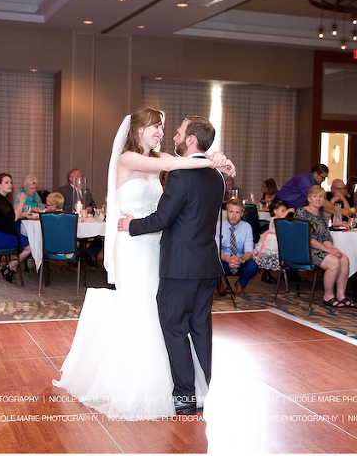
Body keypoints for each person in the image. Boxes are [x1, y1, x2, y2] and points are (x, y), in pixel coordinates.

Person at [53, 108, 235, 419]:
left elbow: (182, 162)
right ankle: (140, 384)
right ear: (138, 130)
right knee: (143, 308)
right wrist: (213, 161)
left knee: (163, 315)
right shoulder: (127, 159)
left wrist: (216, 156)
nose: (163, 133)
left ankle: (180, 387)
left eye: (165, 128)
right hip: (133, 243)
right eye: (156, 127)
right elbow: (176, 164)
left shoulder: (165, 156)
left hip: (159, 246)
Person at [119, 113, 229, 416]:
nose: (174, 137)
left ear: (191, 139)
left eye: (179, 133)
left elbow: (163, 219)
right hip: (207, 264)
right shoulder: (216, 176)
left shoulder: (181, 174)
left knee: (175, 328)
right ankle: (202, 389)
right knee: (201, 329)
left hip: (180, 266)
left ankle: (184, 395)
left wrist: (131, 225)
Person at [294, 185, 352, 307]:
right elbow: (305, 238)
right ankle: (328, 296)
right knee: (334, 262)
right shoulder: (301, 212)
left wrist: (332, 249)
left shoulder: (321, 215)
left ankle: (341, 295)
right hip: (305, 250)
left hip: (319, 248)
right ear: (309, 199)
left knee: (344, 259)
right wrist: (327, 250)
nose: (318, 199)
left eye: (321, 196)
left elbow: (326, 237)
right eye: (314, 196)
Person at [0, 173, 32, 283]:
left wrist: (21, 214)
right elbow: (13, 218)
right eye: (6, 182)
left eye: (11, 182)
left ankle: (11, 270)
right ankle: (10, 266)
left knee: (19, 240)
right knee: (29, 246)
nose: (10, 185)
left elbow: (6, 216)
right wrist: (22, 201)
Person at [217, 199, 258, 296]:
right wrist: (228, 259)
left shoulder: (247, 227)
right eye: (231, 212)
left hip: (240, 260)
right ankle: (218, 284)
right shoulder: (219, 226)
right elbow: (215, 250)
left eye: (237, 212)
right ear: (226, 213)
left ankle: (240, 284)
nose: (234, 216)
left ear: (242, 214)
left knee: (253, 266)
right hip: (224, 260)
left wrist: (240, 260)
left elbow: (249, 252)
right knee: (210, 262)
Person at [254, 198, 294, 283]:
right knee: (271, 255)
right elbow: (279, 220)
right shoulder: (274, 218)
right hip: (272, 240)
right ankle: (266, 273)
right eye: (282, 210)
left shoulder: (282, 219)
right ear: (275, 211)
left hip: (280, 239)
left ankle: (286, 271)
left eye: (285, 210)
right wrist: (288, 211)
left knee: (281, 255)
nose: (285, 212)